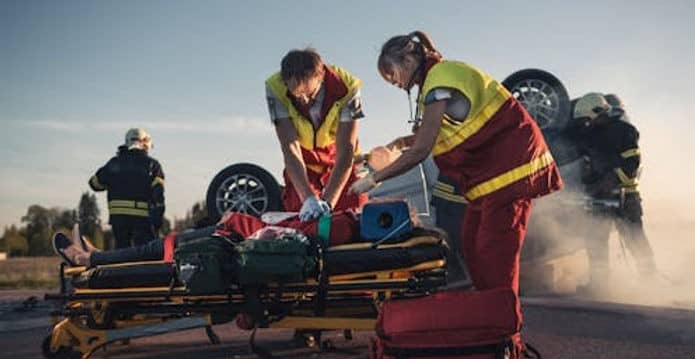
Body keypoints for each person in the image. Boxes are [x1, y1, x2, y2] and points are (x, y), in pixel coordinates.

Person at [350, 31, 563, 294]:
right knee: (471, 243)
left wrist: (373, 180)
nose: (393, 82)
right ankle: (487, 315)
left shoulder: (440, 81)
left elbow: (421, 150)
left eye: (391, 74)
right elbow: (432, 134)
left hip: (509, 171)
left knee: (493, 252)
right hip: (488, 179)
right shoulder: (436, 81)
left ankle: (504, 329)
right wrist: (396, 144)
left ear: (407, 60)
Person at [266, 48, 368, 222]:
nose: (304, 102)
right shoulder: (274, 88)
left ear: (321, 77)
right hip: (303, 157)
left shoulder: (348, 87)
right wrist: (308, 198)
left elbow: (346, 151)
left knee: (354, 211)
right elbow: (290, 147)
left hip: (339, 154)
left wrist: (327, 202)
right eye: (297, 96)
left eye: (310, 95)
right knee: (299, 213)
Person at [54, 210, 360, 268]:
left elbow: (287, 238)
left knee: (158, 248)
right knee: (159, 246)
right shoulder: (346, 222)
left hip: (230, 238)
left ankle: (89, 258)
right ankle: (96, 255)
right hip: (231, 233)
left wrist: (238, 219)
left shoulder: (343, 228)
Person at [570, 92, 658, 290]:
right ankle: (599, 285)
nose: (585, 124)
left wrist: (614, 180)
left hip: (625, 197)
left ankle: (650, 282)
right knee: (595, 241)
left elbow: (632, 163)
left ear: (598, 112)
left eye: (587, 119)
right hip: (598, 197)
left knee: (634, 239)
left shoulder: (624, 131)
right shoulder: (590, 136)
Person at [89, 128, 165, 248]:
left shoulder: (113, 163)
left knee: (121, 254)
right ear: (145, 143)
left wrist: (112, 181)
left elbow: (94, 184)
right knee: (144, 254)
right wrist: (158, 221)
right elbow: (158, 195)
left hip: (118, 219)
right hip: (143, 219)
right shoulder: (153, 165)